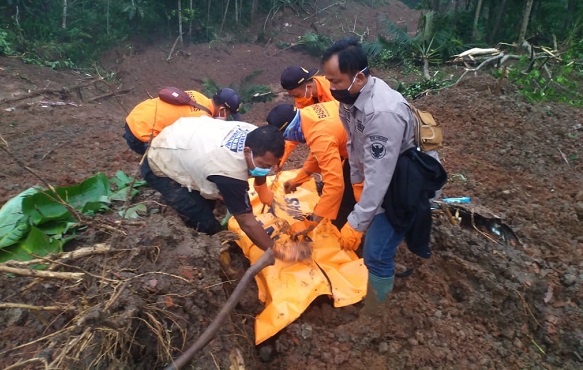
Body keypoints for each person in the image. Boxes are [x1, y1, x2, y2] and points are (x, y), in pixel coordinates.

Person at [321, 38, 444, 315]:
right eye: (328, 80)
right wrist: (356, 183)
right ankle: (379, 253)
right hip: (384, 170)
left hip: (406, 178)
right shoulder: (349, 100)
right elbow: (353, 144)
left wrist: (359, 219)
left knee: (376, 252)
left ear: (360, 77)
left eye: (336, 81)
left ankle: (376, 314)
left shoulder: (382, 113)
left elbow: (381, 175)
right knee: (360, 216)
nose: (332, 88)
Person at [141, 115, 284, 252]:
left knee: (210, 199)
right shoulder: (229, 172)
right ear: (247, 151)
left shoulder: (255, 135)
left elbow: (260, 165)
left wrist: (262, 189)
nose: (266, 170)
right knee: (201, 218)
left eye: (270, 166)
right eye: (263, 165)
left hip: (186, 136)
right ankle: (216, 244)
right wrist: (277, 250)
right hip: (162, 156)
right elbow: (246, 221)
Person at [258, 101, 358, 233]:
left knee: (348, 199)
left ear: (289, 129)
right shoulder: (308, 114)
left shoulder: (319, 135)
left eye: (285, 137)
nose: (288, 140)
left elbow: (335, 185)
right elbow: (319, 154)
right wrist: (298, 180)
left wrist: (310, 223)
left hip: (367, 152)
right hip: (357, 142)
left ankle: (344, 237)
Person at [123, 88, 242, 155]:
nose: (227, 117)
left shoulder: (197, 95)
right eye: (228, 114)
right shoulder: (202, 121)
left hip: (134, 117)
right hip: (140, 136)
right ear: (222, 110)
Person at [278, 66, 336, 167]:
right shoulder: (303, 97)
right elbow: (296, 127)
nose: (297, 99)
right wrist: (280, 157)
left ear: (308, 86)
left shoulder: (334, 92)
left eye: (296, 95)